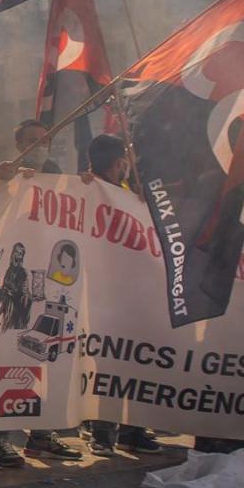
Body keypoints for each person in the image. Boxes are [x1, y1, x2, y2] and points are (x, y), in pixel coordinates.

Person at [0, 119, 82, 465]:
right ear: (19, 145)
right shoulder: (8, 175)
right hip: (20, 291)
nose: (40, 145)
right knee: (9, 362)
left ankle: (42, 435)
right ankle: (1, 438)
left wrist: (85, 185)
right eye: (32, 140)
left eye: (44, 139)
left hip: (53, 280)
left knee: (47, 364)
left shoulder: (61, 178)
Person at [78, 135, 164, 457]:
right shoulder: (86, 188)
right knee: (106, 362)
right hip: (101, 293)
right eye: (125, 159)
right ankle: (101, 431)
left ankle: (133, 429)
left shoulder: (128, 194)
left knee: (134, 360)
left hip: (133, 294)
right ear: (118, 163)